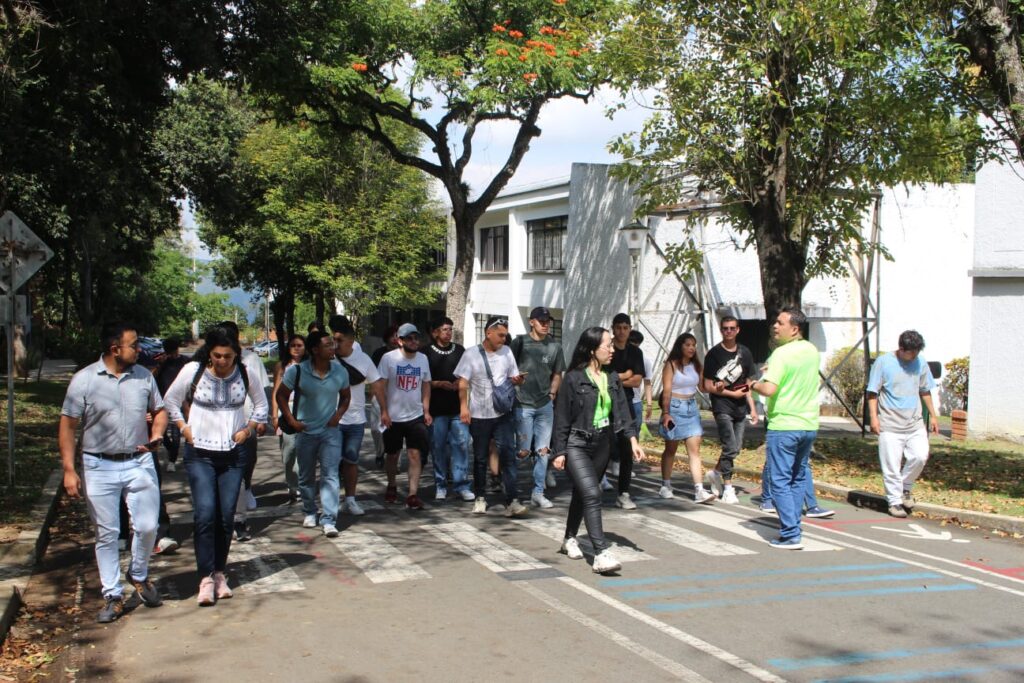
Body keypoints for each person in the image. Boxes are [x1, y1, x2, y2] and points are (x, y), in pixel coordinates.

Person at [59, 322, 166, 623]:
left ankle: (139, 573)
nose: (140, 350)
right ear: (115, 349)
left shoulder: (143, 376)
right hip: (98, 464)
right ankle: (113, 595)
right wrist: (69, 470)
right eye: (134, 345)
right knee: (106, 534)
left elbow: (159, 410)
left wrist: (156, 433)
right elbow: (67, 426)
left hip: (139, 460)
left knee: (147, 526)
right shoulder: (84, 381)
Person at [164, 326, 268, 605]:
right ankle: (205, 577)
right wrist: (183, 427)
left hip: (233, 456)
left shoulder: (246, 373)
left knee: (225, 517)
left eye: (228, 356)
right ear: (209, 354)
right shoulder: (193, 371)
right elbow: (170, 401)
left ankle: (220, 572)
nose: (222, 362)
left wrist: (247, 430)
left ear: (236, 353)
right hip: (200, 454)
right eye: (217, 356)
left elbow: (261, 406)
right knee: (205, 514)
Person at [551, 327, 645, 574]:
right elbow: (561, 418)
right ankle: (601, 552)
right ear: (592, 349)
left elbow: (623, 412)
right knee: (593, 493)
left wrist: (633, 441)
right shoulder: (573, 378)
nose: (612, 349)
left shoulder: (611, 376)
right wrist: (559, 451)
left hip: (602, 443)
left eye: (612, 345)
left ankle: (569, 538)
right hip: (576, 443)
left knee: (584, 494)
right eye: (608, 345)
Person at [748, 307, 821, 549]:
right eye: (775, 323)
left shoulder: (780, 354)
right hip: (808, 424)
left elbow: (769, 389)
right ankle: (794, 524)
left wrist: (754, 384)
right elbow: (795, 377)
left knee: (779, 479)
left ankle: (790, 533)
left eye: (780, 323)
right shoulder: (811, 351)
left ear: (795, 329)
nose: (775, 326)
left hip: (784, 425)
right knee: (798, 476)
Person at [276, 330, 351, 536]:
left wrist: (338, 415)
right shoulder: (297, 371)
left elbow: (345, 397)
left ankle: (329, 519)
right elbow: (281, 396)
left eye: (332, 344)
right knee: (306, 475)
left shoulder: (340, 371)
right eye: (327, 345)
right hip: (305, 432)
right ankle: (310, 510)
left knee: (330, 475)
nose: (332, 348)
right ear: (315, 350)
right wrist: (292, 421)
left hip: (330, 432)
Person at [455, 315, 528, 516]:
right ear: (488, 333)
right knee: (479, 458)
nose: (504, 339)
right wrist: (464, 408)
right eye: (500, 335)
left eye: (505, 335)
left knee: (508, 456)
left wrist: (518, 380)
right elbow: (462, 383)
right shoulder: (471, 354)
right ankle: (480, 497)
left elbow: (511, 378)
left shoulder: (507, 353)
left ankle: (512, 499)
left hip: (503, 413)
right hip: (479, 415)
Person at [866, 330, 939, 518]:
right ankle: (894, 502)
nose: (913, 356)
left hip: (914, 423)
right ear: (901, 349)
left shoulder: (920, 362)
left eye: (916, 352)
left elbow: (925, 390)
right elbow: (873, 392)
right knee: (891, 465)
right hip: (890, 424)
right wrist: (874, 418)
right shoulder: (884, 362)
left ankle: (905, 487)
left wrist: (933, 415)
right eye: (911, 353)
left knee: (920, 456)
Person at [217, 321, 271, 542]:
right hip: (214, 430)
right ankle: (220, 520)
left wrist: (261, 419)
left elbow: (263, 390)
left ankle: (239, 518)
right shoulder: (204, 363)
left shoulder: (250, 360)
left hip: (244, 424)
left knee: (242, 470)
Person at [510, 306, 566, 509]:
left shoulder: (555, 346)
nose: (545, 324)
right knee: (523, 451)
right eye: (541, 321)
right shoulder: (520, 342)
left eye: (547, 321)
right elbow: (508, 368)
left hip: (544, 405)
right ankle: (512, 492)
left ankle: (538, 492)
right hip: (522, 404)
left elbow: (557, 373)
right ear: (531, 321)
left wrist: (552, 394)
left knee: (543, 451)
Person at [702, 316, 759, 504]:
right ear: (721, 330)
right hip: (722, 406)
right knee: (729, 446)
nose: (729, 331)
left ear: (738, 330)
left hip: (740, 408)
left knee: (736, 447)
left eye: (732, 328)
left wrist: (752, 408)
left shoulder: (745, 353)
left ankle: (716, 472)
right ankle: (728, 487)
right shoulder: (714, 354)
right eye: (725, 328)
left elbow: (748, 383)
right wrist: (727, 393)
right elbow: (707, 385)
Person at [332, 319, 384, 516]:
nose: (335, 343)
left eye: (340, 340)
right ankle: (332, 499)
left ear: (351, 341)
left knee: (351, 460)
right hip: (333, 420)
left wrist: (385, 411)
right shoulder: (328, 358)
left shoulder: (363, 359)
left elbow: (377, 384)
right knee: (332, 461)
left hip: (355, 420)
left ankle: (351, 500)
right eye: (333, 339)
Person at [377, 323, 430, 509]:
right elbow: (380, 386)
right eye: (409, 338)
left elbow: (426, 384)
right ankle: (392, 484)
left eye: (416, 338)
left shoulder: (423, 359)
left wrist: (426, 410)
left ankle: (412, 494)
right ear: (400, 340)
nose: (414, 342)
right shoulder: (388, 358)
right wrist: (384, 411)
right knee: (392, 455)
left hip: (415, 416)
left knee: (415, 454)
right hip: (393, 416)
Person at [658, 333, 716, 503]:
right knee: (671, 449)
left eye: (693, 345)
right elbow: (667, 390)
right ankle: (665, 485)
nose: (691, 348)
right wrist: (666, 412)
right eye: (688, 345)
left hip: (691, 407)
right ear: (680, 346)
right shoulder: (671, 365)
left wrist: (719, 385)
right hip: (675, 407)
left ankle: (699, 490)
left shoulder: (696, 365)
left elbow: (703, 387)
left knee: (695, 451)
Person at [423, 316, 475, 502]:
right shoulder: (425, 352)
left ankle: (462, 485)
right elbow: (424, 381)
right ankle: (440, 484)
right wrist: (438, 384)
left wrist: (464, 406)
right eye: (445, 329)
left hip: (456, 407)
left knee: (461, 445)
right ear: (435, 331)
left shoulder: (459, 350)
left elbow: (464, 377)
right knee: (438, 447)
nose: (448, 333)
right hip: (436, 409)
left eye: (451, 329)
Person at [608, 313, 646, 509]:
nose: (622, 331)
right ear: (613, 328)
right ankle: (595, 482)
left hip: (627, 402)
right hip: (605, 403)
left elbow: (637, 380)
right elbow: (604, 379)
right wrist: (625, 375)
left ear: (630, 329)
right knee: (603, 446)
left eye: (625, 327)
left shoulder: (635, 352)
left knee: (627, 448)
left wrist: (616, 379)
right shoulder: (607, 350)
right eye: (619, 327)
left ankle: (623, 493)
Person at [271, 334, 305, 503]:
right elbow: (277, 392)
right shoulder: (282, 366)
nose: (296, 348)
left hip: (306, 411)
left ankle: (300, 486)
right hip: (287, 410)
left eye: (300, 345)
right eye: (293, 345)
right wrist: (275, 415)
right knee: (289, 450)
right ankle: (292, 483)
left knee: (304, 450)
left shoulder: (310, 366)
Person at [369, 324, 400, 464]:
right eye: (393, 335)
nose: (395, 338)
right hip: (379, 392)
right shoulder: (379, 353)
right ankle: (380, 452)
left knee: (396, 429)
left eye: (397, 335)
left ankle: (394, 460)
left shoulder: (404, 353)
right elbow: (372, 375)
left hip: (396, 395)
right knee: (376, 428)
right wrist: (372, 391)